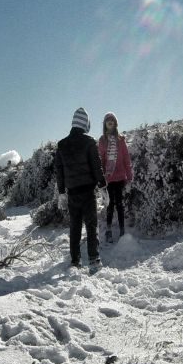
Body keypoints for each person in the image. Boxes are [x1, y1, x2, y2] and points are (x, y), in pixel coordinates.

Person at [55, 106, 106, 269]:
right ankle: (94, 258)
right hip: (88, 192)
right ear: (85, 124)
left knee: (75, 227)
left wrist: (62, 193)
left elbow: (59, 171)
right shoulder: (89, 142)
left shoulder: (61, 145)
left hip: (72, 194)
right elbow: (96, 166)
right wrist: (103, 186)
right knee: (92, 226)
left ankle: (75, 260)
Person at [98, 111, 133, 243]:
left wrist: (129, 178)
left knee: (119, 204)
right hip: (108, 178)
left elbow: (126, 159)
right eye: (108, 120)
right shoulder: (102, 141)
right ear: (105, 124)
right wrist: (101, 179)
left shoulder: (121, 140)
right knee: (109, 204)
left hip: (120, 177)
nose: (110, 122)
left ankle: (122, 230)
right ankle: (108, 230)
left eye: (112, 120)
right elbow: (100, 160)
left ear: (115, 123)